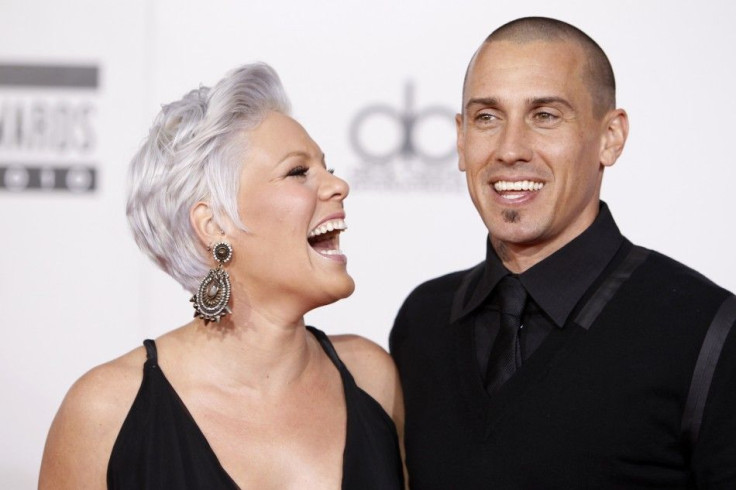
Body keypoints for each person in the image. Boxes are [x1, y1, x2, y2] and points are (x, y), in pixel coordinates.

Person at [390, 16, 736, 489]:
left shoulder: (708, 332)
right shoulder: (423, 321)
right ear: (460, 138)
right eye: (487, 117)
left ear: (610, 137)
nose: (510, 150)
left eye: (545, 115)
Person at [39, 63, 405, 489]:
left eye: (327, 167)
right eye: (298, 172)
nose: (338, 185)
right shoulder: (106, 412)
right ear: (213, 225)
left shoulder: (372, 379)